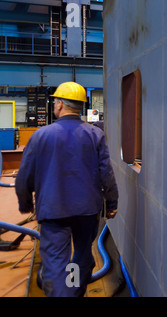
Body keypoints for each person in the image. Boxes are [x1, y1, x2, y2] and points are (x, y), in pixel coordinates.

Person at [15, 82, 119, 297]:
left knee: (55, 261)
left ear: (60, 104)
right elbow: (106, 173)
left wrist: (25, 202)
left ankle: (63, 293)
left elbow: (25, 174)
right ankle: (75, 291)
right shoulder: (94, 134)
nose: (54, 104)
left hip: (53, 211)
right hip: (87, 210)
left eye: (55, 101)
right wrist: (112, 203)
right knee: (82, 255)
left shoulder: (41, 135)